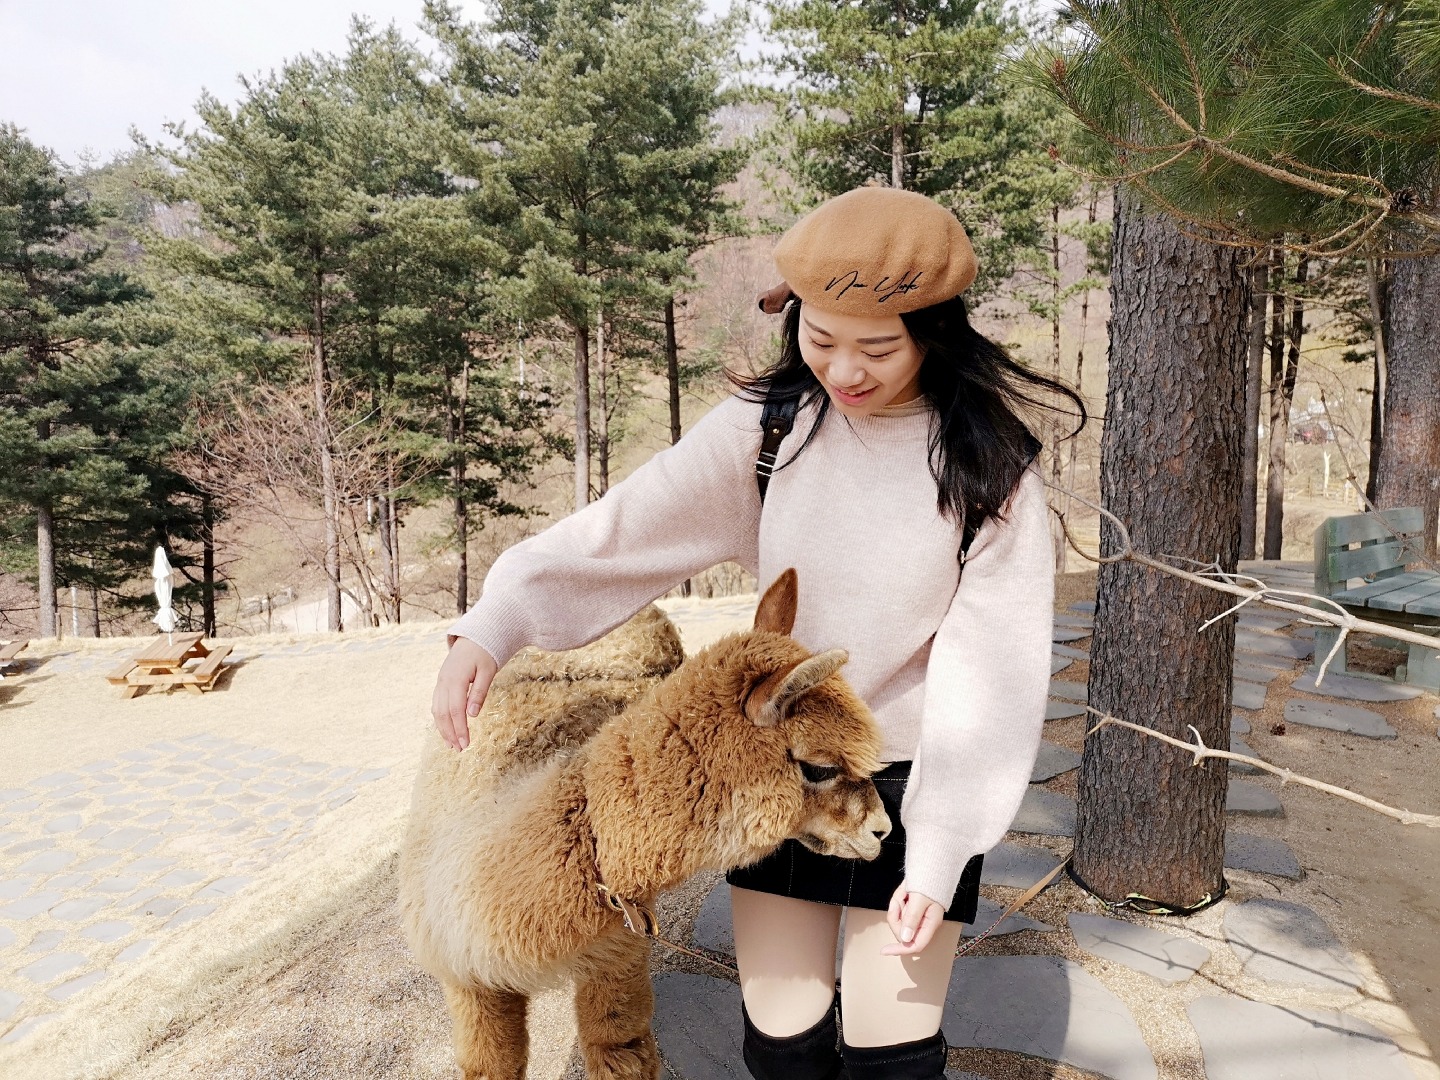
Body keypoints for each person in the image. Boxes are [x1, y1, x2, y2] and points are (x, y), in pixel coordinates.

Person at [431, 186, 1085, 1080]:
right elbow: (625, 530)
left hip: (911, 780)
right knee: (783, 1045)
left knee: (890, 1054)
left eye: (878, 349)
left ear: (937, 331)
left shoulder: (990, 473)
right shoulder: (771, 428)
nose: (845, 372)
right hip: (770, 774)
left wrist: (937, 855)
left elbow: (991, 682)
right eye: (821, 341)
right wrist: (495, 621)